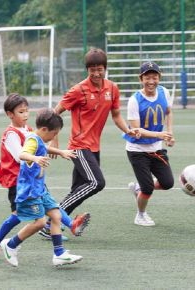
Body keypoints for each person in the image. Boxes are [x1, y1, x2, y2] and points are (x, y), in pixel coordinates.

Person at [0, 94, 90, 260]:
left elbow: (33, 148)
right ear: (10, 114)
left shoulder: (28, 131)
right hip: (18, 182)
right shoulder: (11, 134)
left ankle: (69, 229)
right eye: (21, 112)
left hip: (33, 180)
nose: (26, 115)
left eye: (27, 111)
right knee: (19, 216)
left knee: (50, 207)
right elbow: (19, 155)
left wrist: (59, 151)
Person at [46, 48, 138, 224]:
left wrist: (127, 130)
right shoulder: (78, 90)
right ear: (87, 70)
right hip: (79, 146)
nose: (96, 73)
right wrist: (54, 140)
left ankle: (51, 226)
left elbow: (116, 115)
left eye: (100, 69)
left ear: (105, 68)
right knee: (96, 183)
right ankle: (52, 219)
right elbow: (55, 113)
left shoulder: (112, 88)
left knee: (77, 190)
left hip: (94, 147)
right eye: (92, 69)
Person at [124, 61, 174, 226]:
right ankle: (140, 215)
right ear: (141, 78)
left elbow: (168, 112)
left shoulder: (164, 92)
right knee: (148, 189)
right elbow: (136, 129)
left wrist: (170, 133)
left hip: (156, 148)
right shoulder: (134, 100)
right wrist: (160, 134)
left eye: (155, 77)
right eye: (147, 77)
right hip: (137, 150)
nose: (151, 81)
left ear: (159, 78)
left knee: (168, 183)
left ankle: (138, 187)